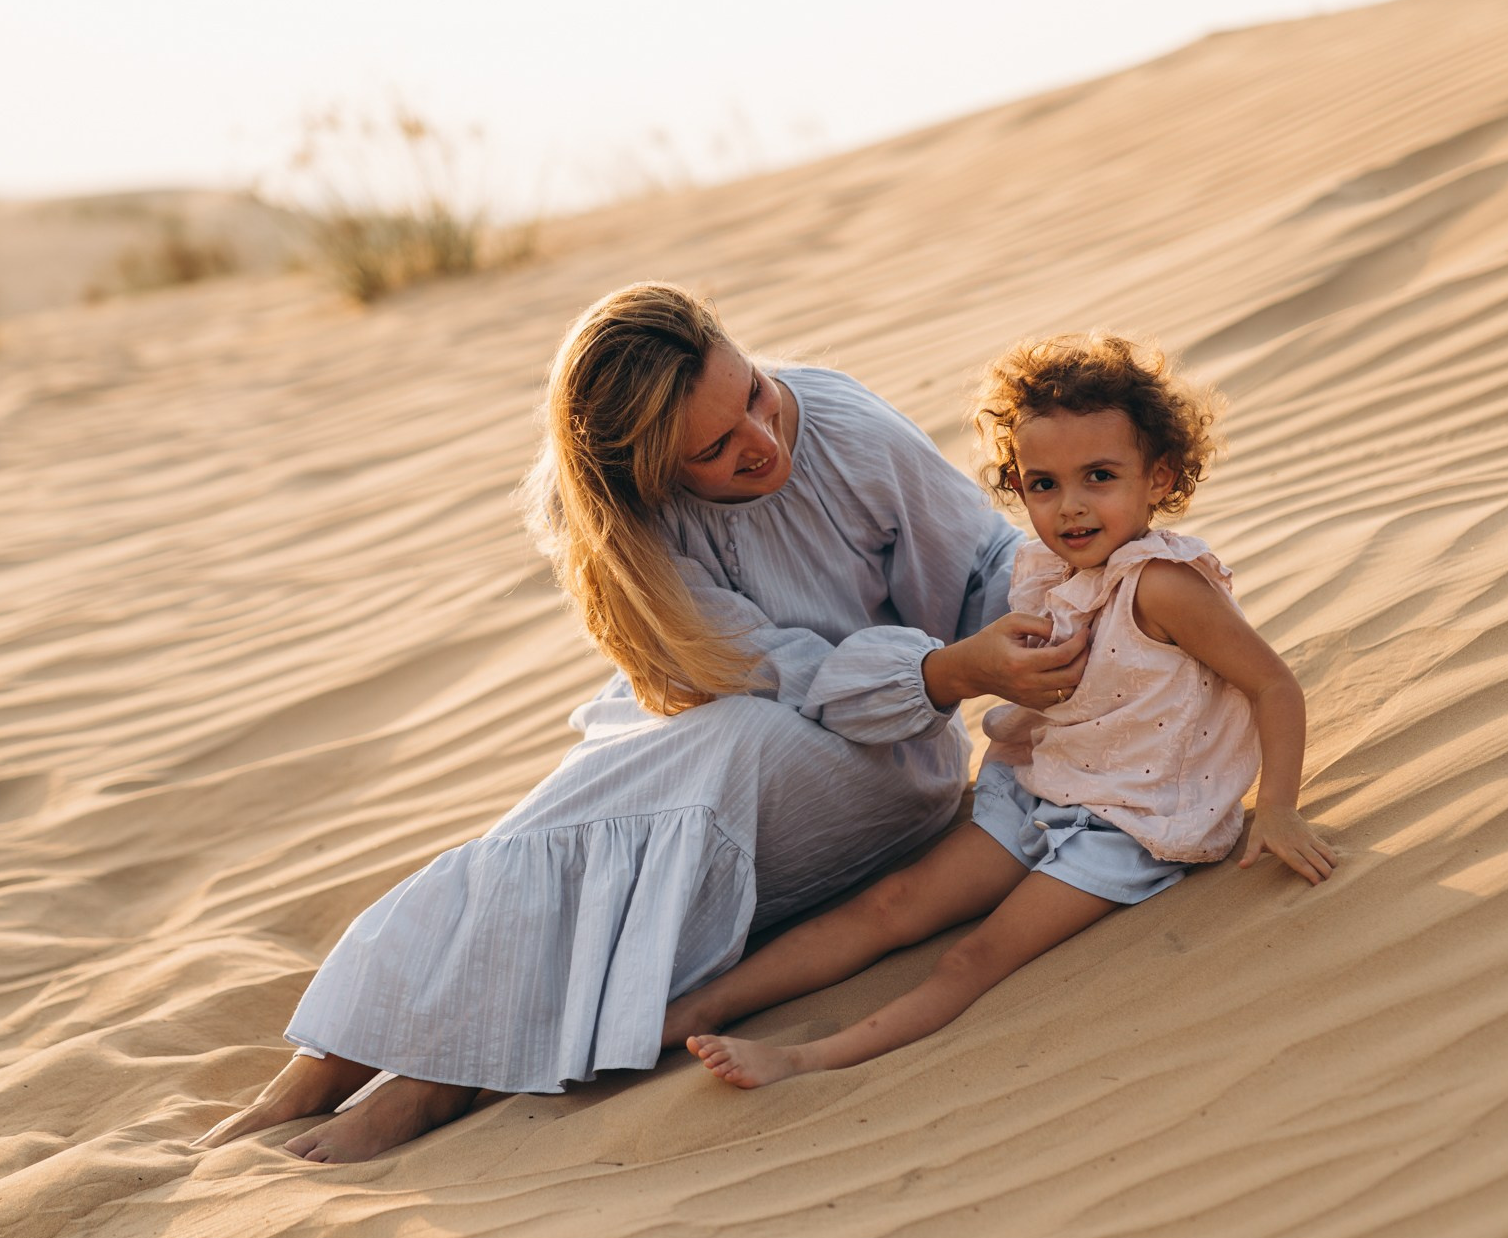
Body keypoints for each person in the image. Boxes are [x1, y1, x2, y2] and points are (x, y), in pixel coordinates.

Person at [191, 283, 1086, 1161]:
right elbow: (759, 669)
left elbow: (981, 566)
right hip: (714, 735)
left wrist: (1029, 640)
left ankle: (430, 1087)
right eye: (715, 448)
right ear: (650, 472)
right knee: (566, 818)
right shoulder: (626, 524)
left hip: (881, 757)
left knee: (730, 747)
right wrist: (947, 667)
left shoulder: (840, 425)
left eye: (754, 393)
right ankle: (328, 1064)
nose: (761, 440)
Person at [680, 331, 1338, 1090]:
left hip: (1132, 821)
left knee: (972, 957)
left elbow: (1273, 685)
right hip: (1046, 785)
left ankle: (804, 1059)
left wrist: (1279, 807)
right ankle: (694, 1009)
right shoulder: (1047, 569)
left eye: (1099, 477)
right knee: (892, 904)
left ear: (1158, 476)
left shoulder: (1162, 585)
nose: (1071, 506)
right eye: (1043, 484)